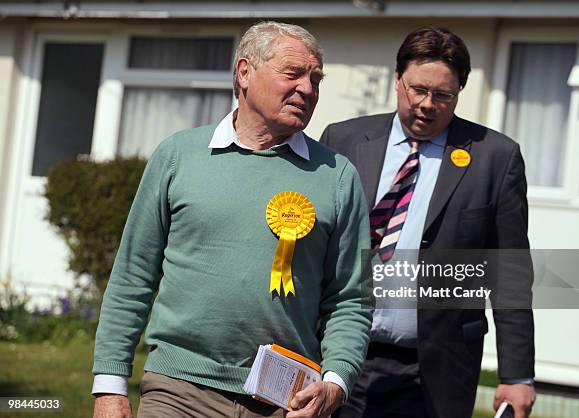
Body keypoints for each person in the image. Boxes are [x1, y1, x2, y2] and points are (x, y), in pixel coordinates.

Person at [91, 21, 372, 418]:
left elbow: (351, 298)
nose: (308, 90)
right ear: (244, 72)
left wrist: (336, 382)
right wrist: (109, 385)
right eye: (292, 74)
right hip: (178, 389)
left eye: (315, 79)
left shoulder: (337, 176)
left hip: (287, 401)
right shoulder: (178, 156)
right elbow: (133, 275)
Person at [321, 27, 536, 418]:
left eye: (443, 96)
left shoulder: (495, 158)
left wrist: (517, 375)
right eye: (418, 90)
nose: (427, 105)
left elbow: (510, 274)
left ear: (459, 93)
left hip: (433, 370)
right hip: (336, 357)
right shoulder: (344, 140)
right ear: (397, 80)